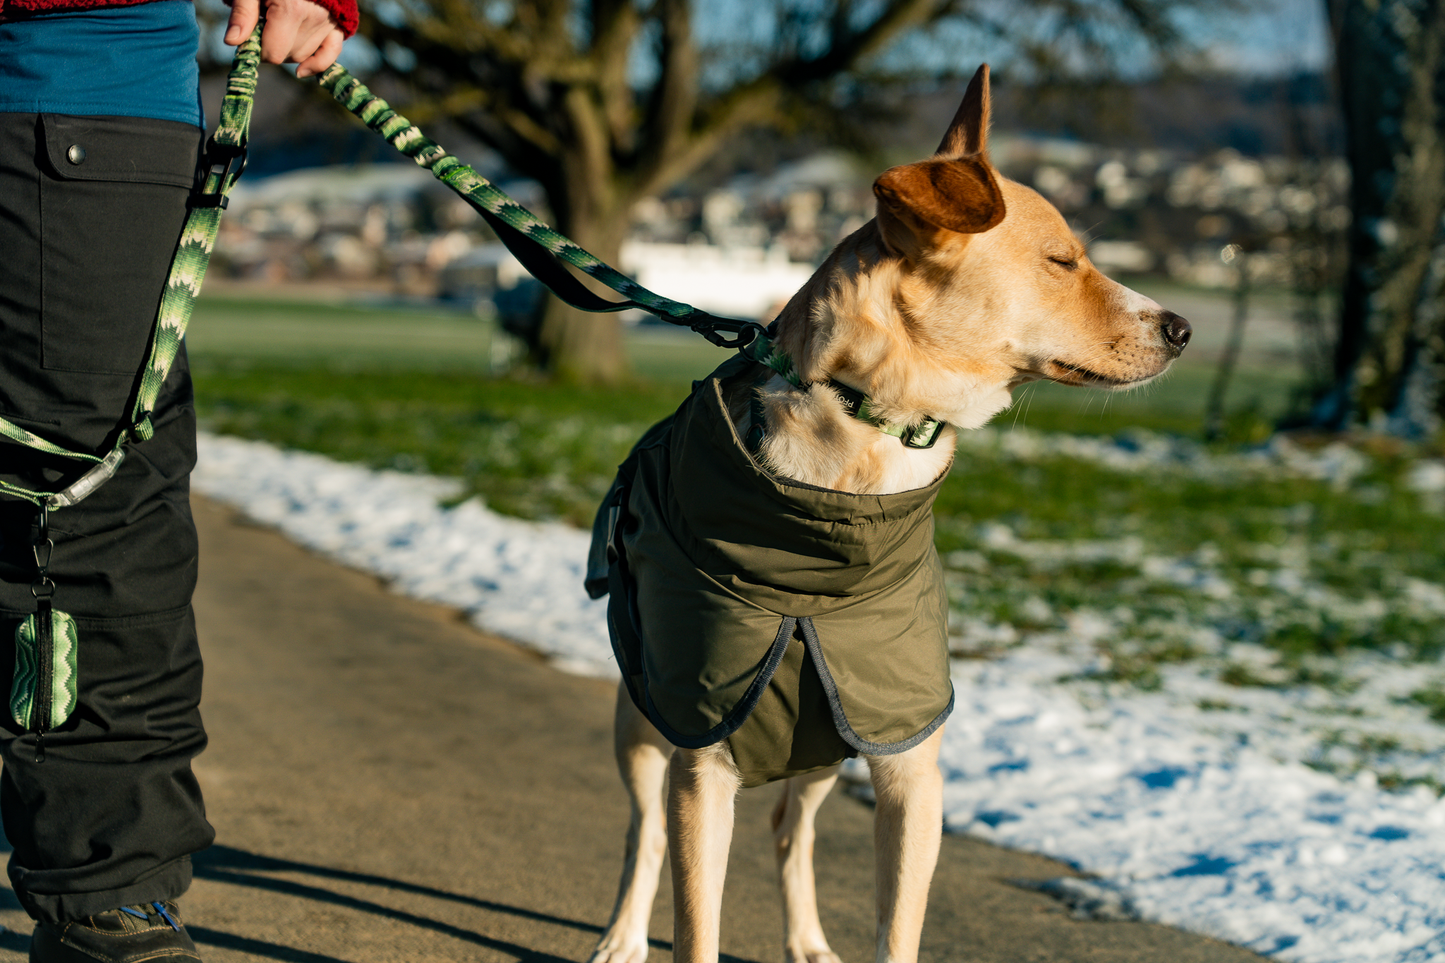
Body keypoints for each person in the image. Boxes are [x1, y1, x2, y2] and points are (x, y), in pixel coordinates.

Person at [0, 0, 355, 957]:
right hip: (83, 83)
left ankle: (108, 895)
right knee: (100, 515)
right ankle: (106, 894)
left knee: (96, 501)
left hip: (83, 80)